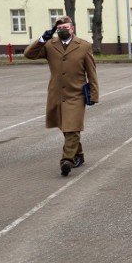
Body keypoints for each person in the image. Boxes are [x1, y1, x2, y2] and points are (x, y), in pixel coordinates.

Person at [24, 16, 99, 176]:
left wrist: (94, 94)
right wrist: (43, 38)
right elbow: (29, 54)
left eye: (65, 27)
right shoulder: (50, 45)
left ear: (72, 28)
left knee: (72, 127)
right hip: (57, 93)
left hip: (76, 93)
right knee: (66, 127)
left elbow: (91, 73)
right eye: (59, 28)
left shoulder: (84, 46)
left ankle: (67, 160)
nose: (62, 30)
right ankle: (78, 155)